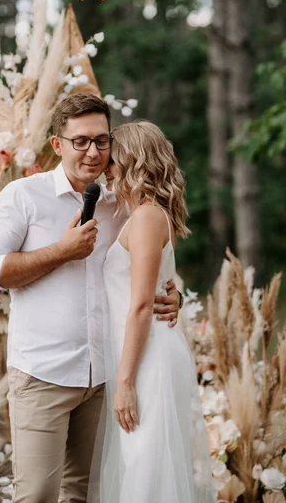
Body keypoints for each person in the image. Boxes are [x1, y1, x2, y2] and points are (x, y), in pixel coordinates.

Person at [0, 94, 181, 503]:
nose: (93, 152)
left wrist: (174, 295)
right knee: (36, 495)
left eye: (102, 141)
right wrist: (61, 251)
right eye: (80, 141)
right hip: (42, 374)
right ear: (58, 145)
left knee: (88, 494)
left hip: (105, 377)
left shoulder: (121, 201)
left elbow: (148, 265)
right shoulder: (23, 196)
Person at [95, 121, 215, 503]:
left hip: (147, 360)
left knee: (146, 468)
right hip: (138, 354)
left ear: (132, 161)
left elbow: (142, 306)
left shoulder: (146, 217)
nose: (105, 168)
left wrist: (126, 382)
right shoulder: (140, 215)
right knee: (139, 463)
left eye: (112, 160)